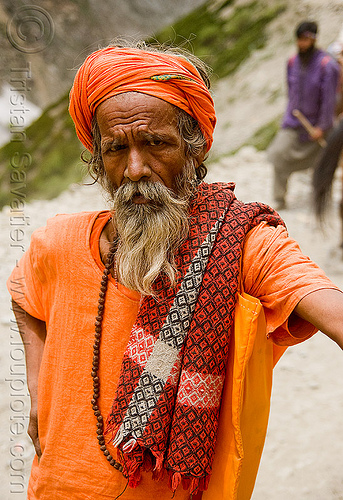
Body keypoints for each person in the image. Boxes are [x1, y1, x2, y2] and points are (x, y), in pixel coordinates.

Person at [7, 41, 343, 500]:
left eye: (156, 143)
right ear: (97, 157)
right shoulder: (59, 243)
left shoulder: (238, 242)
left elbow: (328, 305)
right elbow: (25, 296)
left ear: (194, 147)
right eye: (115, 149)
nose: (135, 169)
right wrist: (36, 381)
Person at [268, 20, 341, 210]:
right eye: (299, 40)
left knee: (322, 164)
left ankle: (320, 200)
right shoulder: (292, 62)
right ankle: (279, 198)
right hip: (294, 123)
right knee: (278, 155)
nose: (301, 44)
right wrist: (287, 120)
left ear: (314, 39)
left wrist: (322, 127)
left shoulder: (328, 66)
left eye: (305, 40)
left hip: (319, 127)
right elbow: (291, 95)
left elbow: (329, 102)